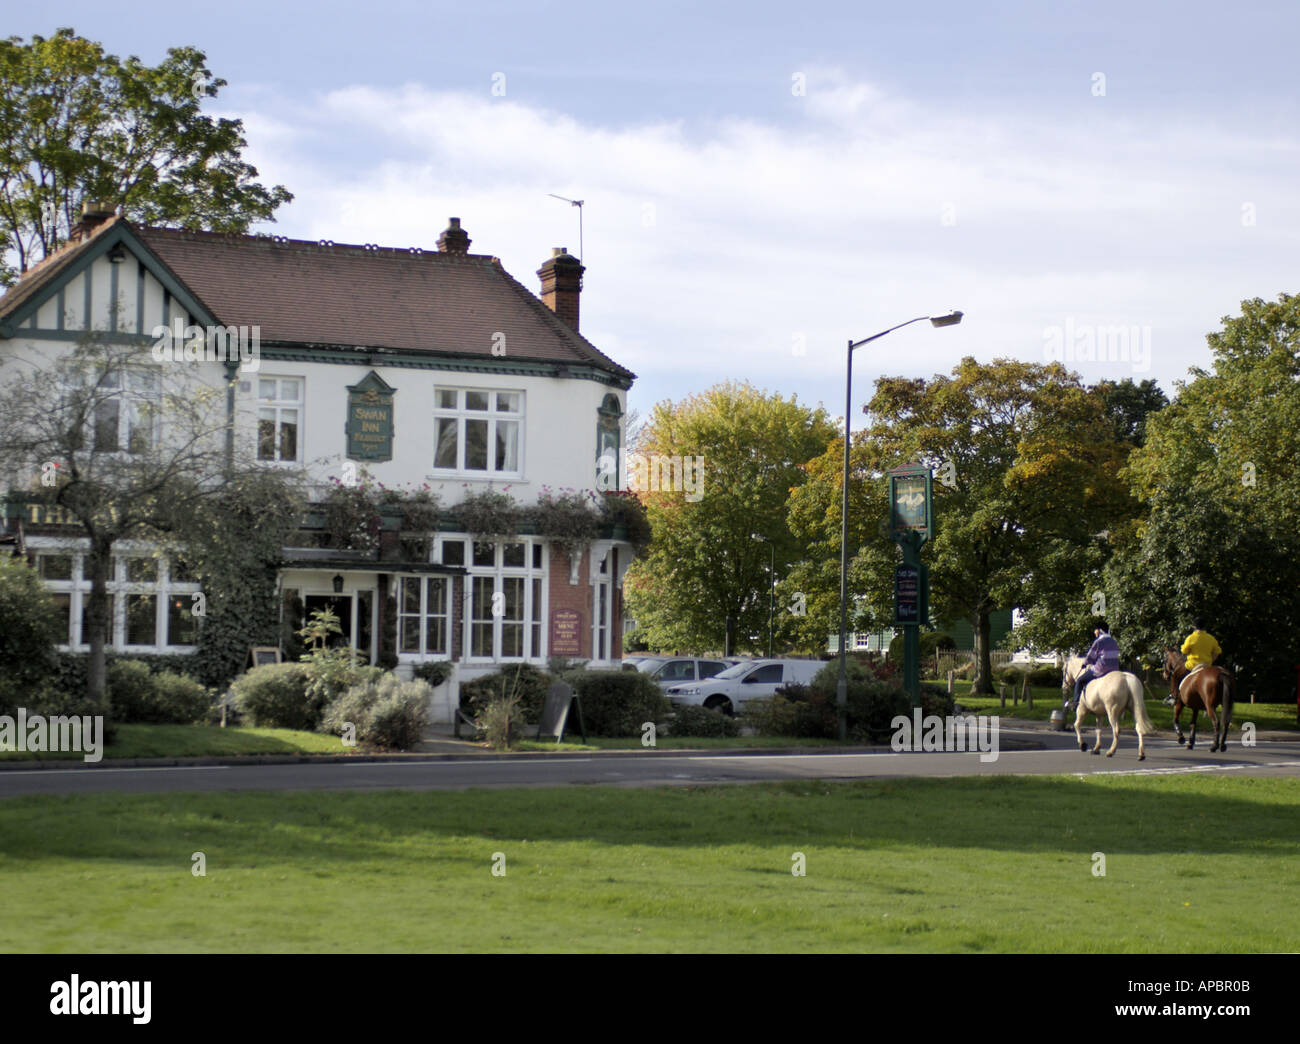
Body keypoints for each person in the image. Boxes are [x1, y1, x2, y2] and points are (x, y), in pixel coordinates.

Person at [1071, 621, 1120, 713]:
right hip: (1114, 669)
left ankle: (1075, 704)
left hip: (1101, 668)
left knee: (1080, 681)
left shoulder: (1099, 641)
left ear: (1100, 630)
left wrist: (1085, 663)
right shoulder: (1113, 641)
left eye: (1095, 630)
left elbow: (1091, 656)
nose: (1094, 632)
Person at [1178, 618, 1222, 698]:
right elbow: (1217, 652)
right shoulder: (1211, 638)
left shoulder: (1190, 638)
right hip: (1206, 666)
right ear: (1204, 627)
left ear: (1194, 627)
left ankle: (1175, 696)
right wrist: (1211, 660)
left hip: (1192, 666)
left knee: (1176, 675)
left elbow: (1184, 651)